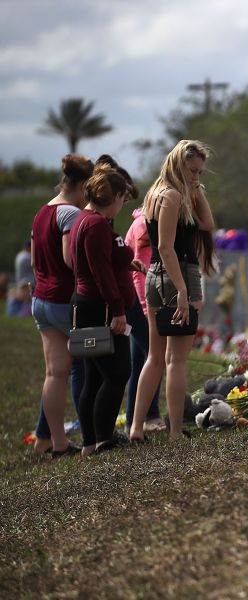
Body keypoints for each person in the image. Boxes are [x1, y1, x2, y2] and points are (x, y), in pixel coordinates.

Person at [130, 140, 216, 442]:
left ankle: (136, 427)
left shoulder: (157, 193)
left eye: (200, 173)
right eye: (192, 171)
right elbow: (166, 247)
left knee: (155, 357)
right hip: (177, 274)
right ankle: (176, 431)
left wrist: (197, 189)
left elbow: (207, 222)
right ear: (178, 164)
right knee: (175, 360)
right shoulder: (172, 195)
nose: (196, 177)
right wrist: (182, 290)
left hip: (156, 276)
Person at [69, 158, 137, 455]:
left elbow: (99, 262)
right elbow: (101, 273)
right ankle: (102, 440)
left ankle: (89, 442)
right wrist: (118, 310)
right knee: (118, 373)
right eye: (123, 198)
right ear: (116, 197)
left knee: (94, 376)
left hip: (86, 304)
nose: (122, 204)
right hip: (99, 307)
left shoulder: (83, 220)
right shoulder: (96, 224)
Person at [30, 154, 92, 457]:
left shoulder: (42, 212)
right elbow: (71, 259)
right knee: (89, 363)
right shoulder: (70, 213)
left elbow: (32, 260)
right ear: (82, 186)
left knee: (54, 374)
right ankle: (94, 433)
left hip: (40, 299)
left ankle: (57, 443)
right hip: (62, 300)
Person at [123, 206, 165, 432]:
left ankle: (138, 418)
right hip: (140, 301)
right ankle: (145, 417)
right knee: (155, 356)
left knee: (140, 361)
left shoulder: (146, 222)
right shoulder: (143, 226)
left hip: (140, 299)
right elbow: (138, 271)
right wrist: (145, 307)